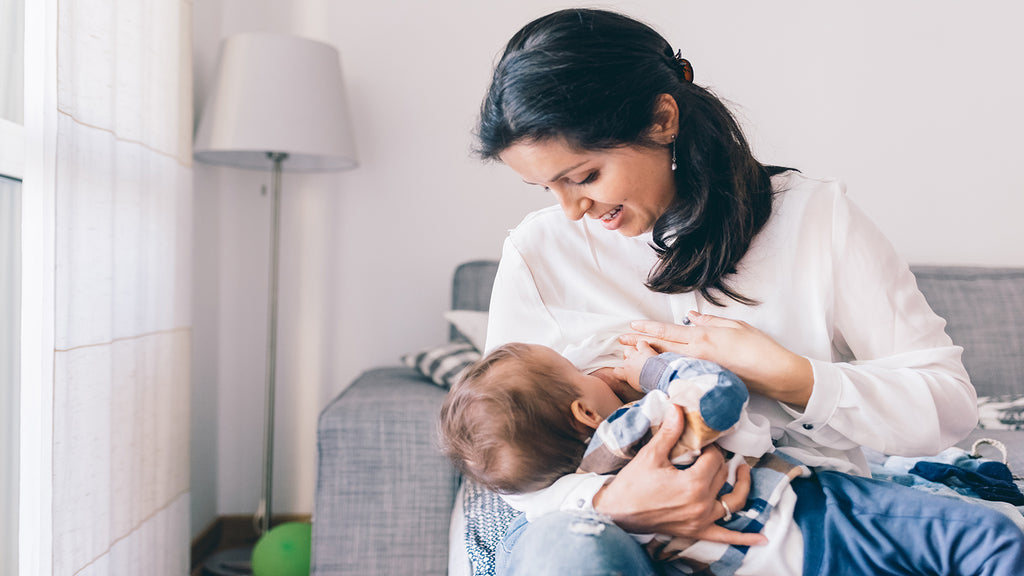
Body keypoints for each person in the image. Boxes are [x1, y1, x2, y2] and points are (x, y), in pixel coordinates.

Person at [472, 7, 983, 575]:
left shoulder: (816, 220)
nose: (571, 211)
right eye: (547, 188)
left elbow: (949, 409)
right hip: (610, 542)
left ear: (661, 118)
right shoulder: (538, 254)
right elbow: (504, 455)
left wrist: (792, 376)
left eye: (585, 176)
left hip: (799, 528)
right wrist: (608, 502)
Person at [439, 341, 1024, 576]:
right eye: (578, 373)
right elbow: (716, 391)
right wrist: (651, 370)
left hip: (759, 565)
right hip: (823, 519)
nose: (593, 369)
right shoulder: (638, 427)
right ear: (586, 414)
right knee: (992, 542)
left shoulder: (557, 495)